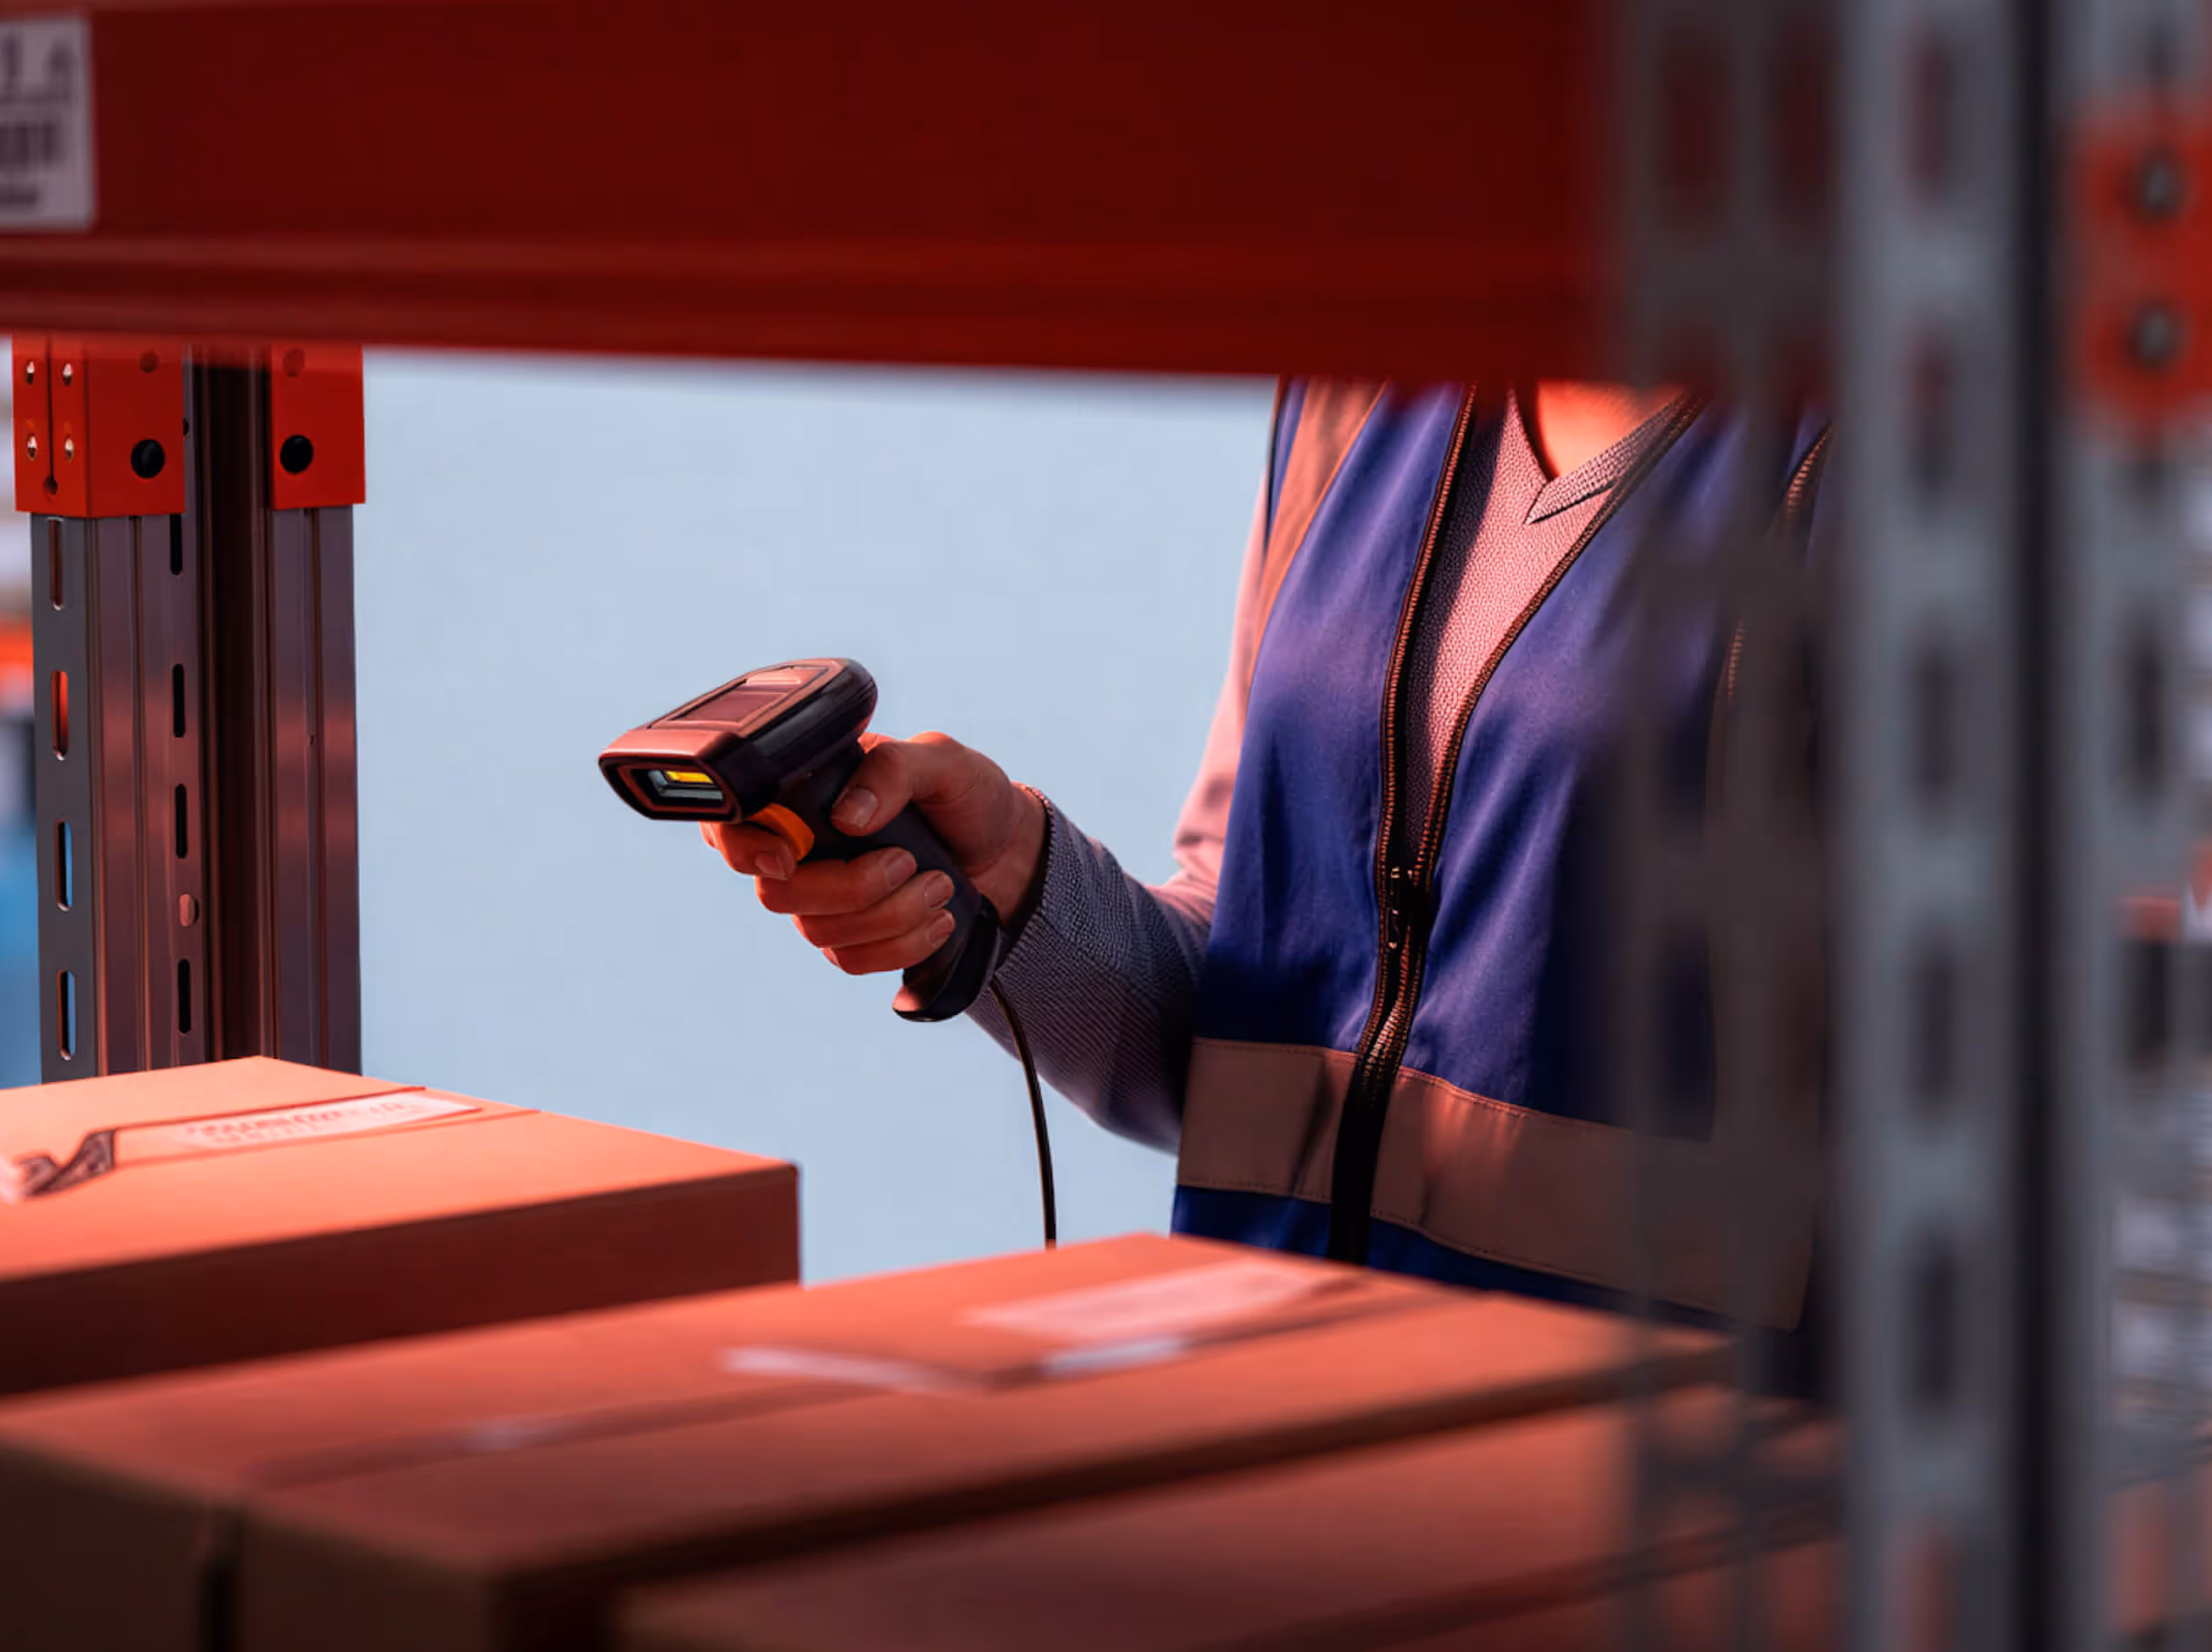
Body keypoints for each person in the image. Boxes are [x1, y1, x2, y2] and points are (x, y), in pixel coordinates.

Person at [706, 381, 1831, 1362]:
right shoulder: (1356, 398)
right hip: (1279, 1394)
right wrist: (1011, 881)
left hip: (1681, 1478)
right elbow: (1258, 1029)